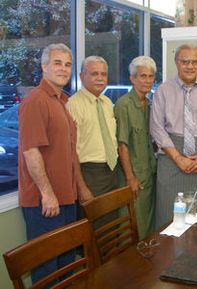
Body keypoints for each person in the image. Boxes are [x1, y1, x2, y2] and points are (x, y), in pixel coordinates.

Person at [18, 43, 92, 284]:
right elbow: (31, 152)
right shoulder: (35, 101)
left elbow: (68, 153)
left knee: (66, 266)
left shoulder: (61, 101)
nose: (63, 68)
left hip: (66, 198)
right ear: (44, 66)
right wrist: (47, 194)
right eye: (57, 63)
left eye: (68, 64)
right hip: (46, 203)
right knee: (48, 272)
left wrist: (78, 189)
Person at [150, 44, 197, 228]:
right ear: (176, 63)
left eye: (194, 62)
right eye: (185, 62)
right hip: (171, 161)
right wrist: (177, 157)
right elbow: (156, 128)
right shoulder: (163, 91)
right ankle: (168, 257)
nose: (190, 66)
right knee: (169, 220)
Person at [114, 56, 157, 239]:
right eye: (143, 76)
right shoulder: (124, 105)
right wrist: (131, 178)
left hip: (150, 175)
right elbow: (122, 145)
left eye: (151, 76)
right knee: (133, 229)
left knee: (149, 226)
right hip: (134, 179)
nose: (147, 80)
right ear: (132, 78)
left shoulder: (149, 104)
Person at [67, 56, 118, 204]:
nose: (100, 78)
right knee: (95, 224)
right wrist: (81, 186)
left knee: (111, 222)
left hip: (111, 171)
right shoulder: (73, 105)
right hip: (90, 173)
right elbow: (71, 151)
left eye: (103, 74)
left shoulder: (107, 102)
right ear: (82, 76)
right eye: (94, 74)